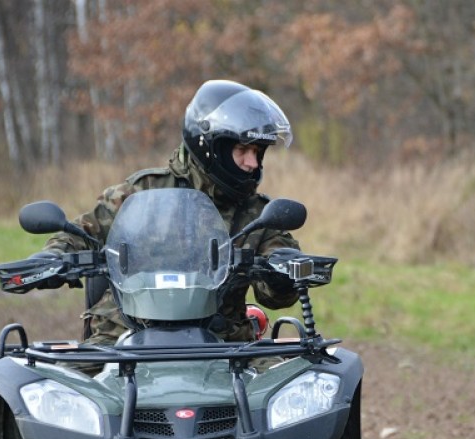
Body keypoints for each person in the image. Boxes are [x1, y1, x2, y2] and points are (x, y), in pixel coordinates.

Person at [40, 79, 300, 344]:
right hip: (122, 339)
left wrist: (282, 273)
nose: (252, 163)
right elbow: (81, 233)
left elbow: (276, 294)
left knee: (305, 370)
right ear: (209, 147)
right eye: (243, 150)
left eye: (257, 152)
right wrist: (53, 257)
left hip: (225, 346)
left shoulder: (259, 214)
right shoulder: (141, 192)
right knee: (59, 372)